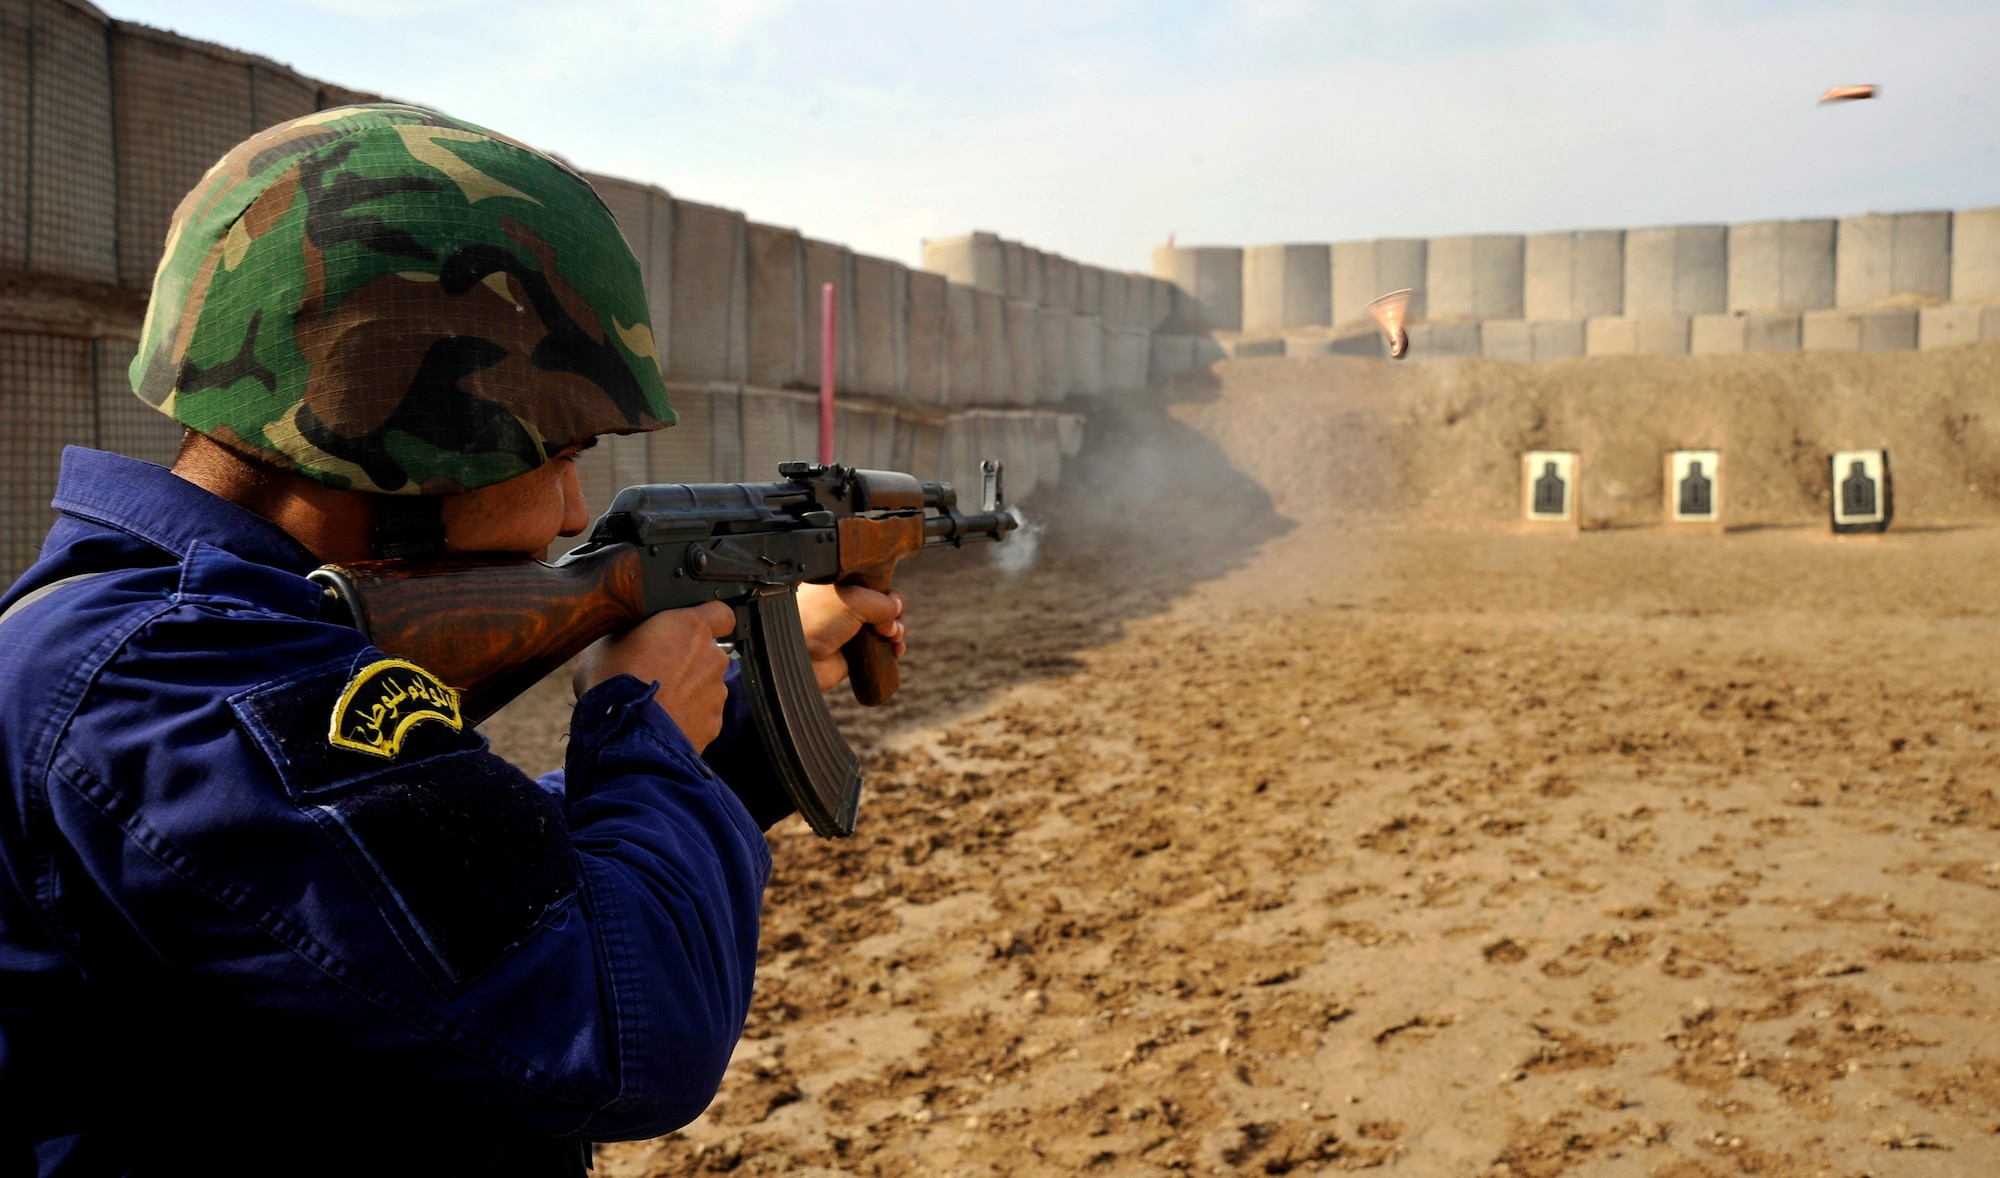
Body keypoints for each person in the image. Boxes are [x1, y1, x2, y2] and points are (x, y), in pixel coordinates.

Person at [0, 105, 903, 1176]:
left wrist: (736, 720)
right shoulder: (175, 688)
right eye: (554, 454)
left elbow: (423, 894)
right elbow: (624, 1030)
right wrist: (644, 732)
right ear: (411, 435)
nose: (573, 511)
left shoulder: (204, 643)